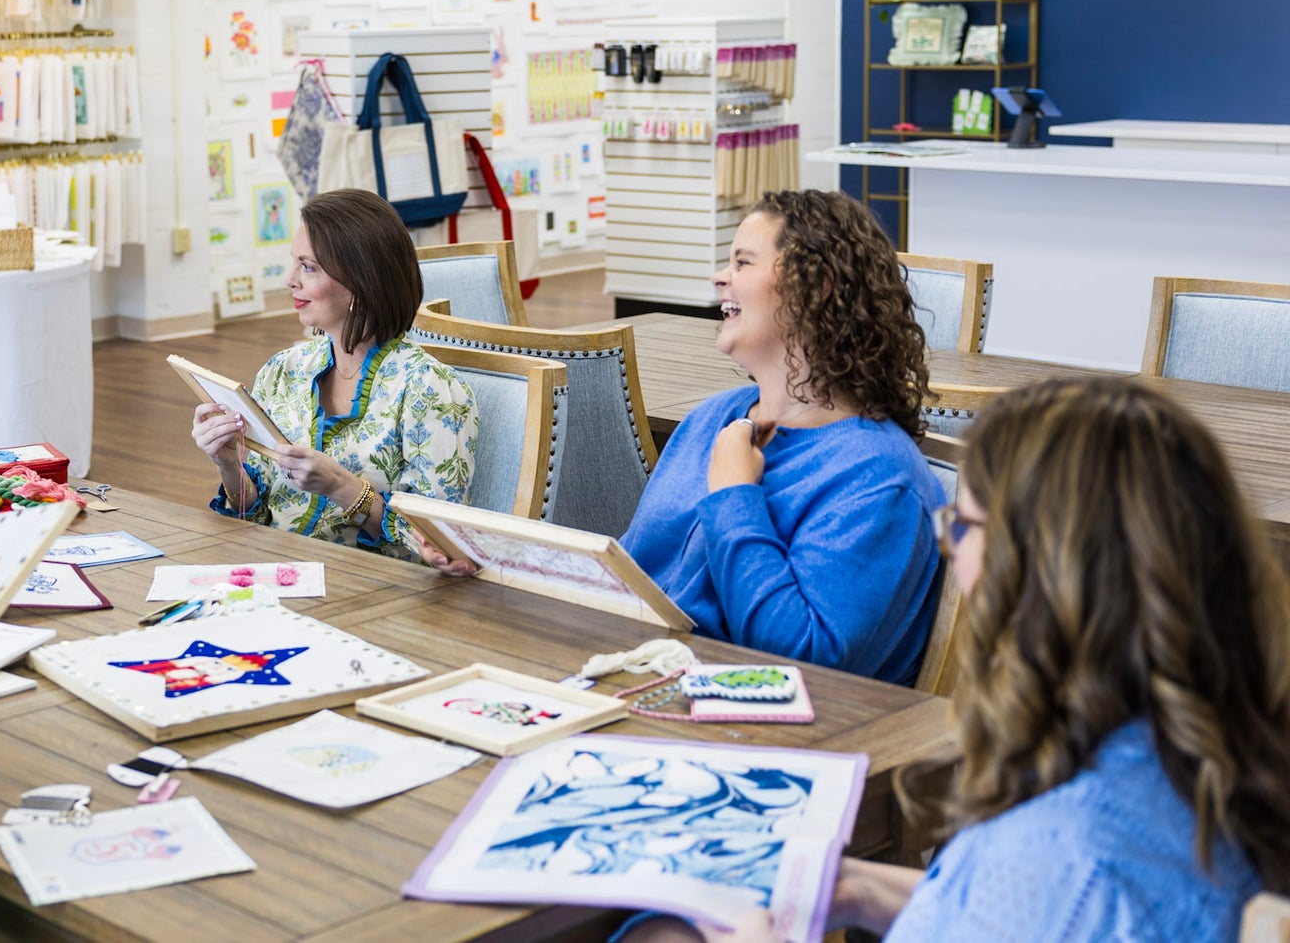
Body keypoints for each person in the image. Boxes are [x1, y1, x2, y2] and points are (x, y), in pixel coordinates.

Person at [635, 377, 1290, 942]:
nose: (951, 548)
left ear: (1041, 571)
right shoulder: (1194, 757)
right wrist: (859, 884)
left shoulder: (1054, 853)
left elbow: (1033, 897)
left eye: (965, 526)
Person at [620, 190, 941, 684]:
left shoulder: (881, 478)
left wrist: (734, 495)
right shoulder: (711, 419)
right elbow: (631, 579)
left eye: (743, 262)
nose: (719, 276)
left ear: (816, 288)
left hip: (774, 735)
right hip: (643, 686)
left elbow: (802, 660)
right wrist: (491, 562)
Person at [191, 188, 478, 563]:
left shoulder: (432, 390)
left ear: (361, 282)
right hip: (278, 575)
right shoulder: (283, 370)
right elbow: (258, 514)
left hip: (373, 595)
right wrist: (228, 462)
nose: (289, 279)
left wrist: (342, 486)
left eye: (308, 267)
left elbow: (440, 547)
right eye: (293, 262)